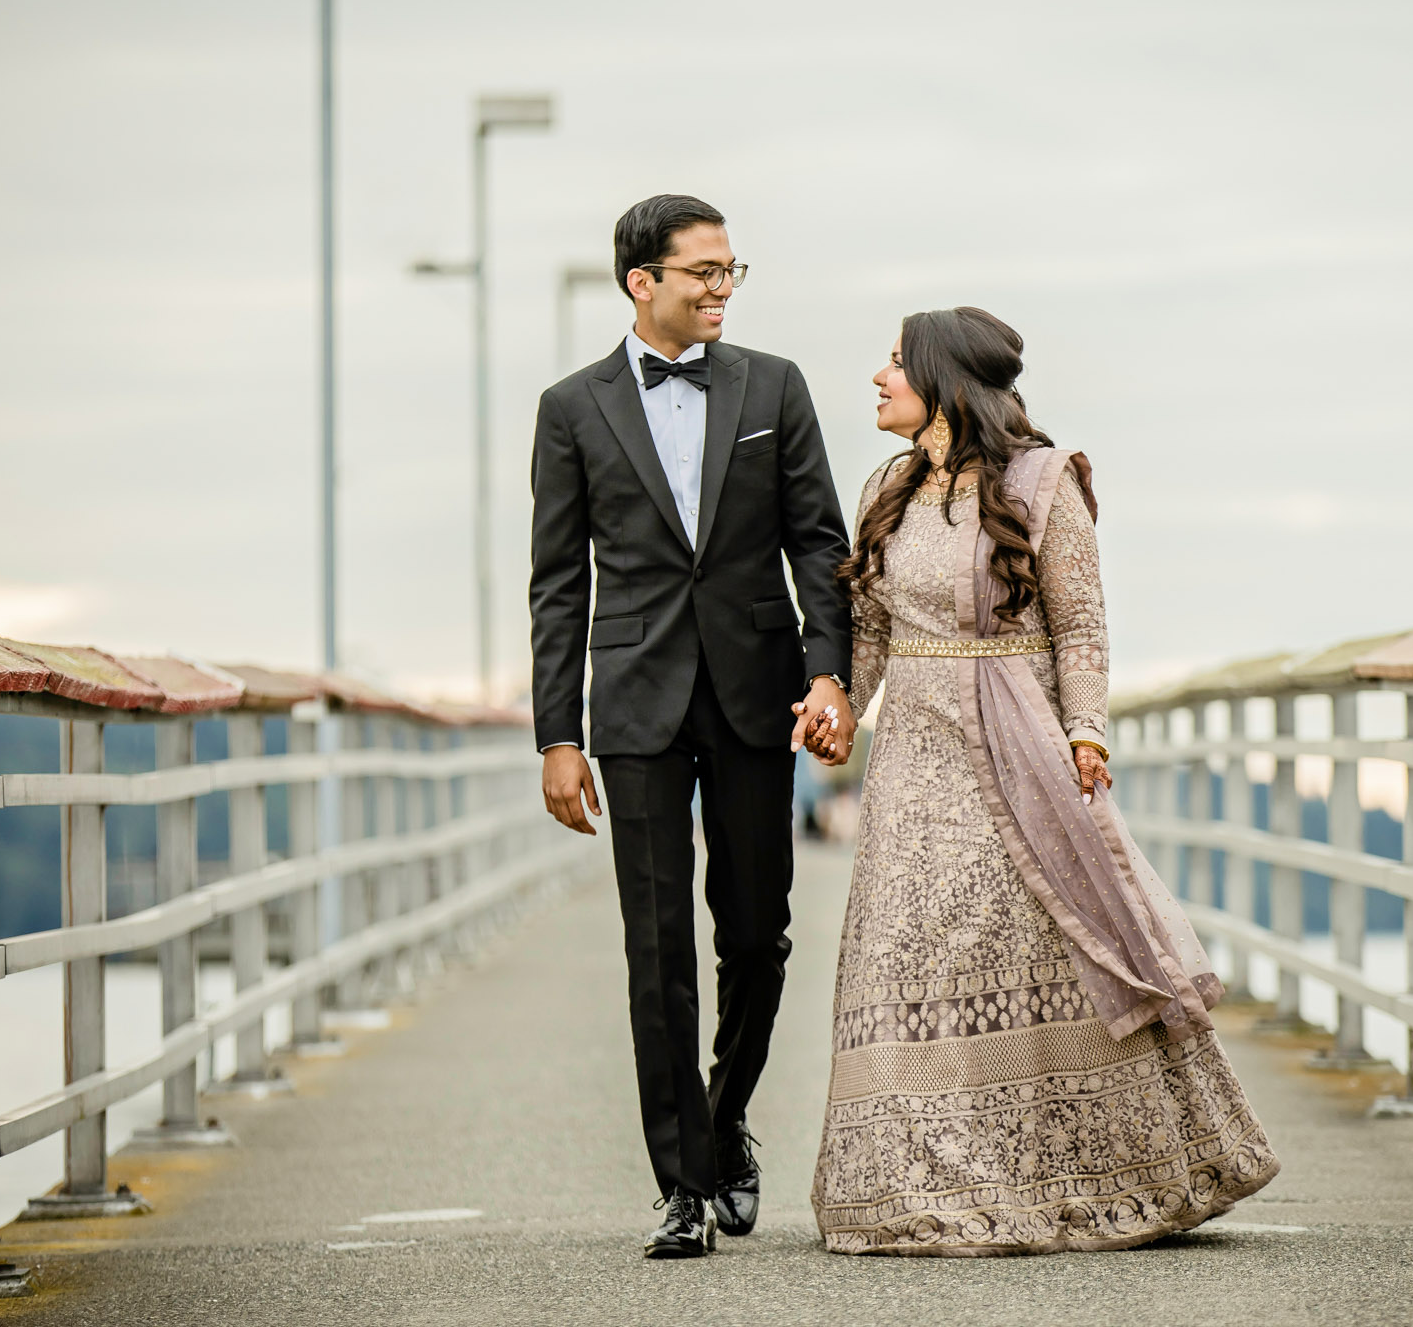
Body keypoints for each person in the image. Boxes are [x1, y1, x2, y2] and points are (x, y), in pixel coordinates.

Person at [805, 307, 1279, 1255]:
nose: (876, 378)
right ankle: (912, 1184)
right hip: (913, 762)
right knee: (906, 950)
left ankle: (1086, 1174)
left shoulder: (1042, 484)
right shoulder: (885, 489)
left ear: (943, 381)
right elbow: (871, 635)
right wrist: (839, 709)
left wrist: (1086, 732)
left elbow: (1083, 626)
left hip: (1017, 741)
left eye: (895, 363)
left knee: (1024, 938)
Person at [529, 194, 856, 1260]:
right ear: (642, 283)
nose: (722, 288)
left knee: (756, 935)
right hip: (634, 704)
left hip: (760, 691)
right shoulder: (570, 409)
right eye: (702, 272)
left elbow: (818, 542)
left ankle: (724, 1123)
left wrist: (829, 674)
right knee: (656, 944)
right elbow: (556, 586)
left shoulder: (775, 385)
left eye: (731, 271)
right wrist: (557, 733)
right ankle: (679, 1185)